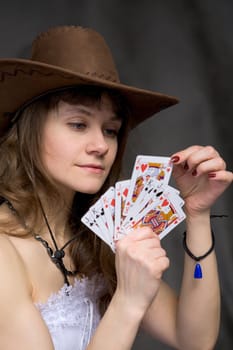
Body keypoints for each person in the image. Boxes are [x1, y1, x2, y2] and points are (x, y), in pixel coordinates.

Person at [0, 25, 232, 350]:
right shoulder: (2, 251)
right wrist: (127, 302)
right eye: (78, 124)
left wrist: (198, 214)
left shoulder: (100, 236)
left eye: (111, 130)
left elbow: (195, 339)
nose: (101, 145)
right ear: (29, 131)